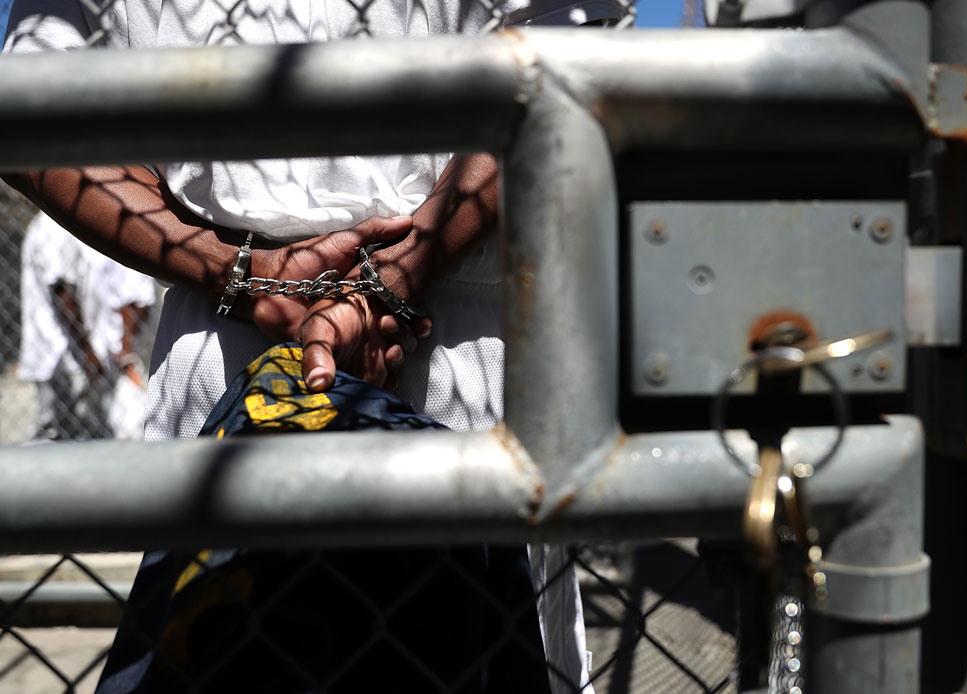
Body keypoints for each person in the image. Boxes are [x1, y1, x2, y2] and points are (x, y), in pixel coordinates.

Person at [3, 2, 618, 691]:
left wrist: (239, 269)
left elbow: (35, 109)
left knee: (240, 653)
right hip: (446, 326)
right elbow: (562, 53)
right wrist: (401, 271)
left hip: (242, 321)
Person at [18, 210, 155, 441]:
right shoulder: (53, 226)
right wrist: (89, 354)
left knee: (91, 431)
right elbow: (63, 292)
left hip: (79, 355)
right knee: (57, 434)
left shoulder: (70, 222)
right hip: (59, 356)